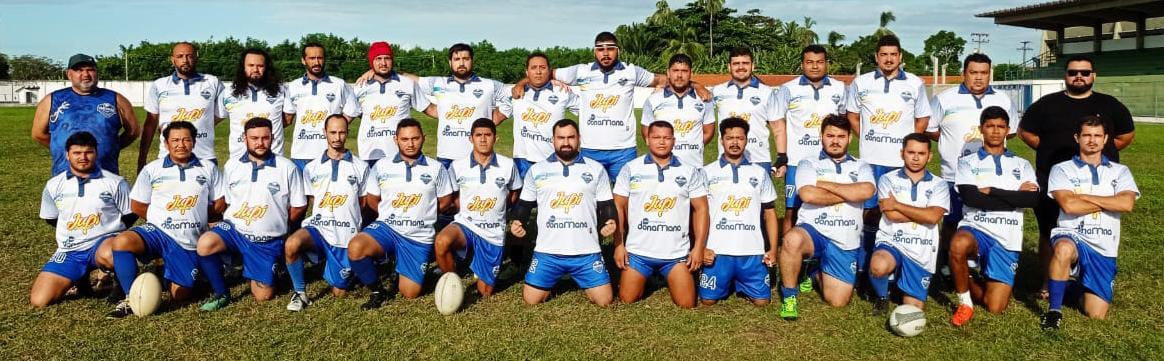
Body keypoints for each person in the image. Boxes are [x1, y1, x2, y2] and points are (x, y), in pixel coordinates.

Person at [512, 31, 708, 180]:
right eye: (600, 49)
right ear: (594, 51)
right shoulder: (581, 71)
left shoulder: (632, 72)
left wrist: (696, 85)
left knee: (626, 198)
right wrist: (521, 83)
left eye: (610, 48)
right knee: (589, 197)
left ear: (618, 50)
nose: (605, 53)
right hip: (589, 148)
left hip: (623, 150)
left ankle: (622, 235)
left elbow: (665, 80)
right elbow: (542, 74)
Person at [1017, 56, 1135, 297]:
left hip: (1100, 181)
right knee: (1049, 230)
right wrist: (1050, 148)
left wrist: (1105, 152)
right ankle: (1049, 282)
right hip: (1054, 179)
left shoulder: (1110, 105)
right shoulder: (1046, 104)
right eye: (1073, 72)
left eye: (1084, 72)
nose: (1078, 76)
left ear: (1094, 75)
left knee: (1098, 227)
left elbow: (1125, 136)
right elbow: (1025, 133)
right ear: (1065, 76)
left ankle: (1092, 277)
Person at [105, 121, 225, 318]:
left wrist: (198, 216)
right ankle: (129, 297)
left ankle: (186, 273)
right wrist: (160, 219)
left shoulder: (208, 168)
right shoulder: (153, 169)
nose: (181, 144)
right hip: (158, 232)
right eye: (175, 140)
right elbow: (137, 205)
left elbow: (220, 203)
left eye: (186, 139)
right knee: (122, 242)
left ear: (194, 142)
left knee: (180, 294)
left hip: (189, 240)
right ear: (166, 143)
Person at [194, 117, 307, 311]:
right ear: (245, 139)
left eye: (265, 138)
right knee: (205, 244)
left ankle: (271, 264)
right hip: (235, 231)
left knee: (263, 296)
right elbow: (228, 202)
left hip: (266, 240)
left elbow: (298, 207)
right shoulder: (232, 165)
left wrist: (276, 225)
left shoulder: (287, 167)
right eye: (254, 138)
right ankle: (222, 293)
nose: (260, 143)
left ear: (272, 138)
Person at [1041, 116, 1139, 330]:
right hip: (1072, 234)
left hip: (1104, 246)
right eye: (1086, 135)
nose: (1092, 140)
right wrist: (1109, 201)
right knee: (1064, 249)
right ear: (1077, 138)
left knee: (1095, 314)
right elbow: (1069, 206)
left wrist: (1083, 197)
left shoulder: (1120, 171)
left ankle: (1067, 286)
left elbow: (1126, 204)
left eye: (1097, 136)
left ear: (1105, 140)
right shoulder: (1062, 169)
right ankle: (1054, 311)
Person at [845, 35, 931, 275]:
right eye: (884, 54)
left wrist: (910, 144)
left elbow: (923, 117)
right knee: (869, 213)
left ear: (900, 56)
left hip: (899, 162)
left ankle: (901, 263)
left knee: (898, 212)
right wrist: (865, 137)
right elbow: (852, 115)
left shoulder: (914, 84)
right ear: (876, 57)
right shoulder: (861, 83)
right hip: (870, 160)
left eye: (893, 54)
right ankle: (865, 264)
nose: (889, 59)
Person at [347, 118, 455, 309]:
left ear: (423, 138)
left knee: (410, 293)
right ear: (395, 139)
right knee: (356, 247)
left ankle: (409, 268)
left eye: (415, 138)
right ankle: (378, 290)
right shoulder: (381, 165)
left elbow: (446, 200)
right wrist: (388, 214)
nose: (410, 143)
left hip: (418, 236)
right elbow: (372, 199)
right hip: (388, 228)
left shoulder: (436, 168)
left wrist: (423, 213)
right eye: (405, 139)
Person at [948, 106, 1040, 327]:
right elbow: (972, 199)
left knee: (995, 307)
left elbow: (1031, 200)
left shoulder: (1022, 164)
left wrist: (993, 191)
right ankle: (965, 303)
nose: (996, 131)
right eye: (990, 126)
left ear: (1008, 130)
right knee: (958, 243)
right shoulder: (967, 162)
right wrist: (1014, 197)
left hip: (1007, 237)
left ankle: (968, 276)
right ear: (982, 129)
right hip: (976, 228)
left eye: (1000, 127)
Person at [926, 53, 1016, 277]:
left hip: (992, 176)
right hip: (953, 173)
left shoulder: (1004, 100)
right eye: (973, 72)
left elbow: (1010, 132)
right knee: (952, 220)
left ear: (989, 74)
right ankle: (947, 263)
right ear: (963, 74)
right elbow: (931, 129)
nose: (978, 78)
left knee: (989, 218)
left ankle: (985, 262)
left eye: (983, 73)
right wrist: (951, 144)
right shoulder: (945, 99)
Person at [508, 119, 616, 306]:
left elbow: (607, 204)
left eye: (571, 137)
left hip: (586, 251)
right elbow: (524, 206)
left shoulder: (596, 169)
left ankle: (577, 275)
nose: (566, 142)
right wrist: (518, 222)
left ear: (579, 139)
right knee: (531, 300)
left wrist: (610, 221)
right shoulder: (537, 170)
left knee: (604, 300)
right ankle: (556, 275)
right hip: (547, 252)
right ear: (553, 140)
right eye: (561, 138)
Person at [777, 115, 875, 320]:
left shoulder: (862, 166)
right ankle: (789, 296)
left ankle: (813, 272)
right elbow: (808, 195)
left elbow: (867, 191)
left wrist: (825, 184)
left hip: (845, 238)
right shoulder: (808, 163)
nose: (835, 140)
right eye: (830, 135)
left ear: (850, 138)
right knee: (791, 239)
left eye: (841, 136)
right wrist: (849, 193)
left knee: (838, 302)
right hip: (813, 231)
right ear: (821, 136)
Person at [30, 132, 134, 308]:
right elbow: (51, 218)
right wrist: (76, 233)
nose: (83, 157)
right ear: (67, 155)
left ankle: (121, 287)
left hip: (103, 244)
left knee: (113, 252)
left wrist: (112, 234)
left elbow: (130, 214)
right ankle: (80, 279)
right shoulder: (54, 185)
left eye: (88, 152)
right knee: (39, 300)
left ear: (96, 153)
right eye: (77, 153)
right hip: (70, 250)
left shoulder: (115, 182)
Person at [613, 121, 709, 309]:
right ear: (647, 140)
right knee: (627, 299)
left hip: (675, 254)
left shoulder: (688, 170)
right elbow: (618, 206)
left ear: (674, 141)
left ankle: (662, 275)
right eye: (656, 137)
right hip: (638, 252)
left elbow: (702, 209)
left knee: (687, 304)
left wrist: (698, 247)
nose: (662, 142)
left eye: (667, 138)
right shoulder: (631, 168)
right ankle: (647, 277)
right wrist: (619, 244)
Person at [283, 114, 371, 311]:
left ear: (347, 133)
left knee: (339, 293)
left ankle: (349, 267)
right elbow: (314, 201)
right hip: (319, 229)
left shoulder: (361, 167)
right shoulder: (311, 168)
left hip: (346, 235)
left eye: (341, 132)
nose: (337, 137)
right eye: (332, 132)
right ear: (324, 133)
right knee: (292, 244)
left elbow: (363, 203)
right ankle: (300, 293)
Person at [434, 118, 522, 297]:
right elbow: (454, 197)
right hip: (466, 225)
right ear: (470, 138)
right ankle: (452, 284)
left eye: (488, 135)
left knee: (485, 292)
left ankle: (473, 261)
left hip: (493, 233)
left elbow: (514, 193)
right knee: (442, 241)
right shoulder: (457, 166)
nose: (483, 139)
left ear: (495, 138)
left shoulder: (508, 165)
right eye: (478, 135)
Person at [698, 118, 779, 306]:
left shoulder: (759, 173)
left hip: (751, 252)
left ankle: (743, 279)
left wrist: (773, 249)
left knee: (762, 302)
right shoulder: (706, 173)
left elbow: (770, 214)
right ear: (721, 141)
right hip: (718, 252)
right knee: (708, 301)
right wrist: (701, 248)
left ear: (746, 141)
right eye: (729, 138)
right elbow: (697, 214)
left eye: (739, 138)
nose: (734, 143)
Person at [867, 133, 948, 315]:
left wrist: (897, 204)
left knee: (912, 310)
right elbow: (891, 215)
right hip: (892, 240)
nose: (916, 158)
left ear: (930, 156)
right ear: (902, 153)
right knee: (878, 266)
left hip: (921, 249)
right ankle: (882, 296)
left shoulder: (939, 184)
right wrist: (923, 211)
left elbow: (934, 217)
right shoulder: (888, 179)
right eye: (911, 152)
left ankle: (899, 280)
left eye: (921, 153)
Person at [774, 44, 847, 232]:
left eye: (820, 62)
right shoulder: (787, 89)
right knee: (792, 208)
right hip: (796, 161)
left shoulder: (839, 88)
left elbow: (843, 122)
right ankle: (790, 251)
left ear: (826, 64)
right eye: (810, 62)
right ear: (802, 64)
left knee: (827, 206)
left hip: (828, 160)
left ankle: (822, 249)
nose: (815, 66)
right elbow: (778, 123)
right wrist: (782, 155)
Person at [31, 53, 139, 176]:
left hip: (105, 175)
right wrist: (62, 147)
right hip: (65, 175)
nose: (86, 75)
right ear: (69, 74)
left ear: (97, 73)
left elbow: (133, 132)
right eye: (79, 70)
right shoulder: (52, 100)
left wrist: (110, 147)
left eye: (90, 70)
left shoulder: (116, 99)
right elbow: (38, 134)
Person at [416, 43, 508, 168]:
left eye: (466, 59)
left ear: (472, 61)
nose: (461, 63)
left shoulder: (489, 85)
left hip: (479, 156)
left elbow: (513, 95)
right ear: (450, 62)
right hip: (446, 156)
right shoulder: (438, 83)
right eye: (457, 59)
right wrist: (428, 108)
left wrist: (495, 118)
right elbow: (410, 82)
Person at [140, 42, 224, 171]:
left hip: (204, 157)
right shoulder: (159, 85)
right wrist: (142, 157)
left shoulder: (212, 82)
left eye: (189, 56)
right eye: (180, 56)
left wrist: (202, 125)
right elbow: (150, 124)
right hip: (167, 158)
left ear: (196, 57)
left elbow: (221, 113)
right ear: (172, 60)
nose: (185, 60)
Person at [498, 52, 579, 178]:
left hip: (552, 160)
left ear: (549, 70)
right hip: (522, 161)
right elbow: (497, 117)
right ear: (527, 72)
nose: (538, 72)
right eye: (534, 68)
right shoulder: (516, 93)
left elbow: (586, 112)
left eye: (542, 68)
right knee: (521, 197)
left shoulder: (563, 92)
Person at [285, 42, 360, 171]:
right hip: (300, 154)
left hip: (329, 153)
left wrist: (334, 129)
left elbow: (351, 111)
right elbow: (287, 118)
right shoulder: (292, 86)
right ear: (303, 60)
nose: (316, 62)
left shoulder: (338, 84)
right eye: (312, 58)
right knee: (302, 192)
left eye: (320, 58)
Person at [354, 41, 429, 169]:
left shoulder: (407, 84)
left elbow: (429, 109)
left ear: (392, 60)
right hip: (370, 154)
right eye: (378, 59)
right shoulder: (359, 86)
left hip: (400, 153)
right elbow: (349, 115)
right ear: (371, 62)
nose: (383, 63)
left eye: (387, 58)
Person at [712, 47, 783, 176]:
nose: (740, 67)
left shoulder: (766, 92)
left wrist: (782, 157)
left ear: (753, 66)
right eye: (736, 63)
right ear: (729, 67)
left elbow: (778, 127)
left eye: (745, 63)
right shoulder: (717, 91)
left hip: (759, 160)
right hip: (726, 160)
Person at [640, 54, 716, 168]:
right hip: (664, 167)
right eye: (675, 70)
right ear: (668, 72)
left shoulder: (704, 99)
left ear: (691, 73)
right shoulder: (653, 99)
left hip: (694, 166)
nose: (679, 75)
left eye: (684, 71)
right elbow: (646, 132)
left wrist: (694, 145)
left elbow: (708, 132)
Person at [218, 48, 287, 160]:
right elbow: (216, 118)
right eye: (251, 65)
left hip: (274, 160)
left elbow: (288, 119)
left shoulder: (281, 90)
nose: (255, 69)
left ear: (266, 68)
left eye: (260, 66)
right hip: (238, 160)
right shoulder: (228, 92)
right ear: (243, 67)